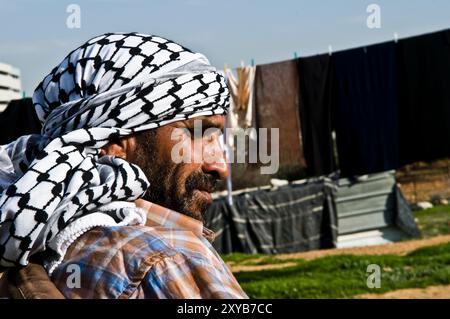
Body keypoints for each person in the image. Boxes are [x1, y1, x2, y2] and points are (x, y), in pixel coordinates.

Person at [0, 32, 248, 299]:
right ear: (115, 142)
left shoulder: (44, 246)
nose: (221, 166)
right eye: (197, 133)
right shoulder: (166, 259)